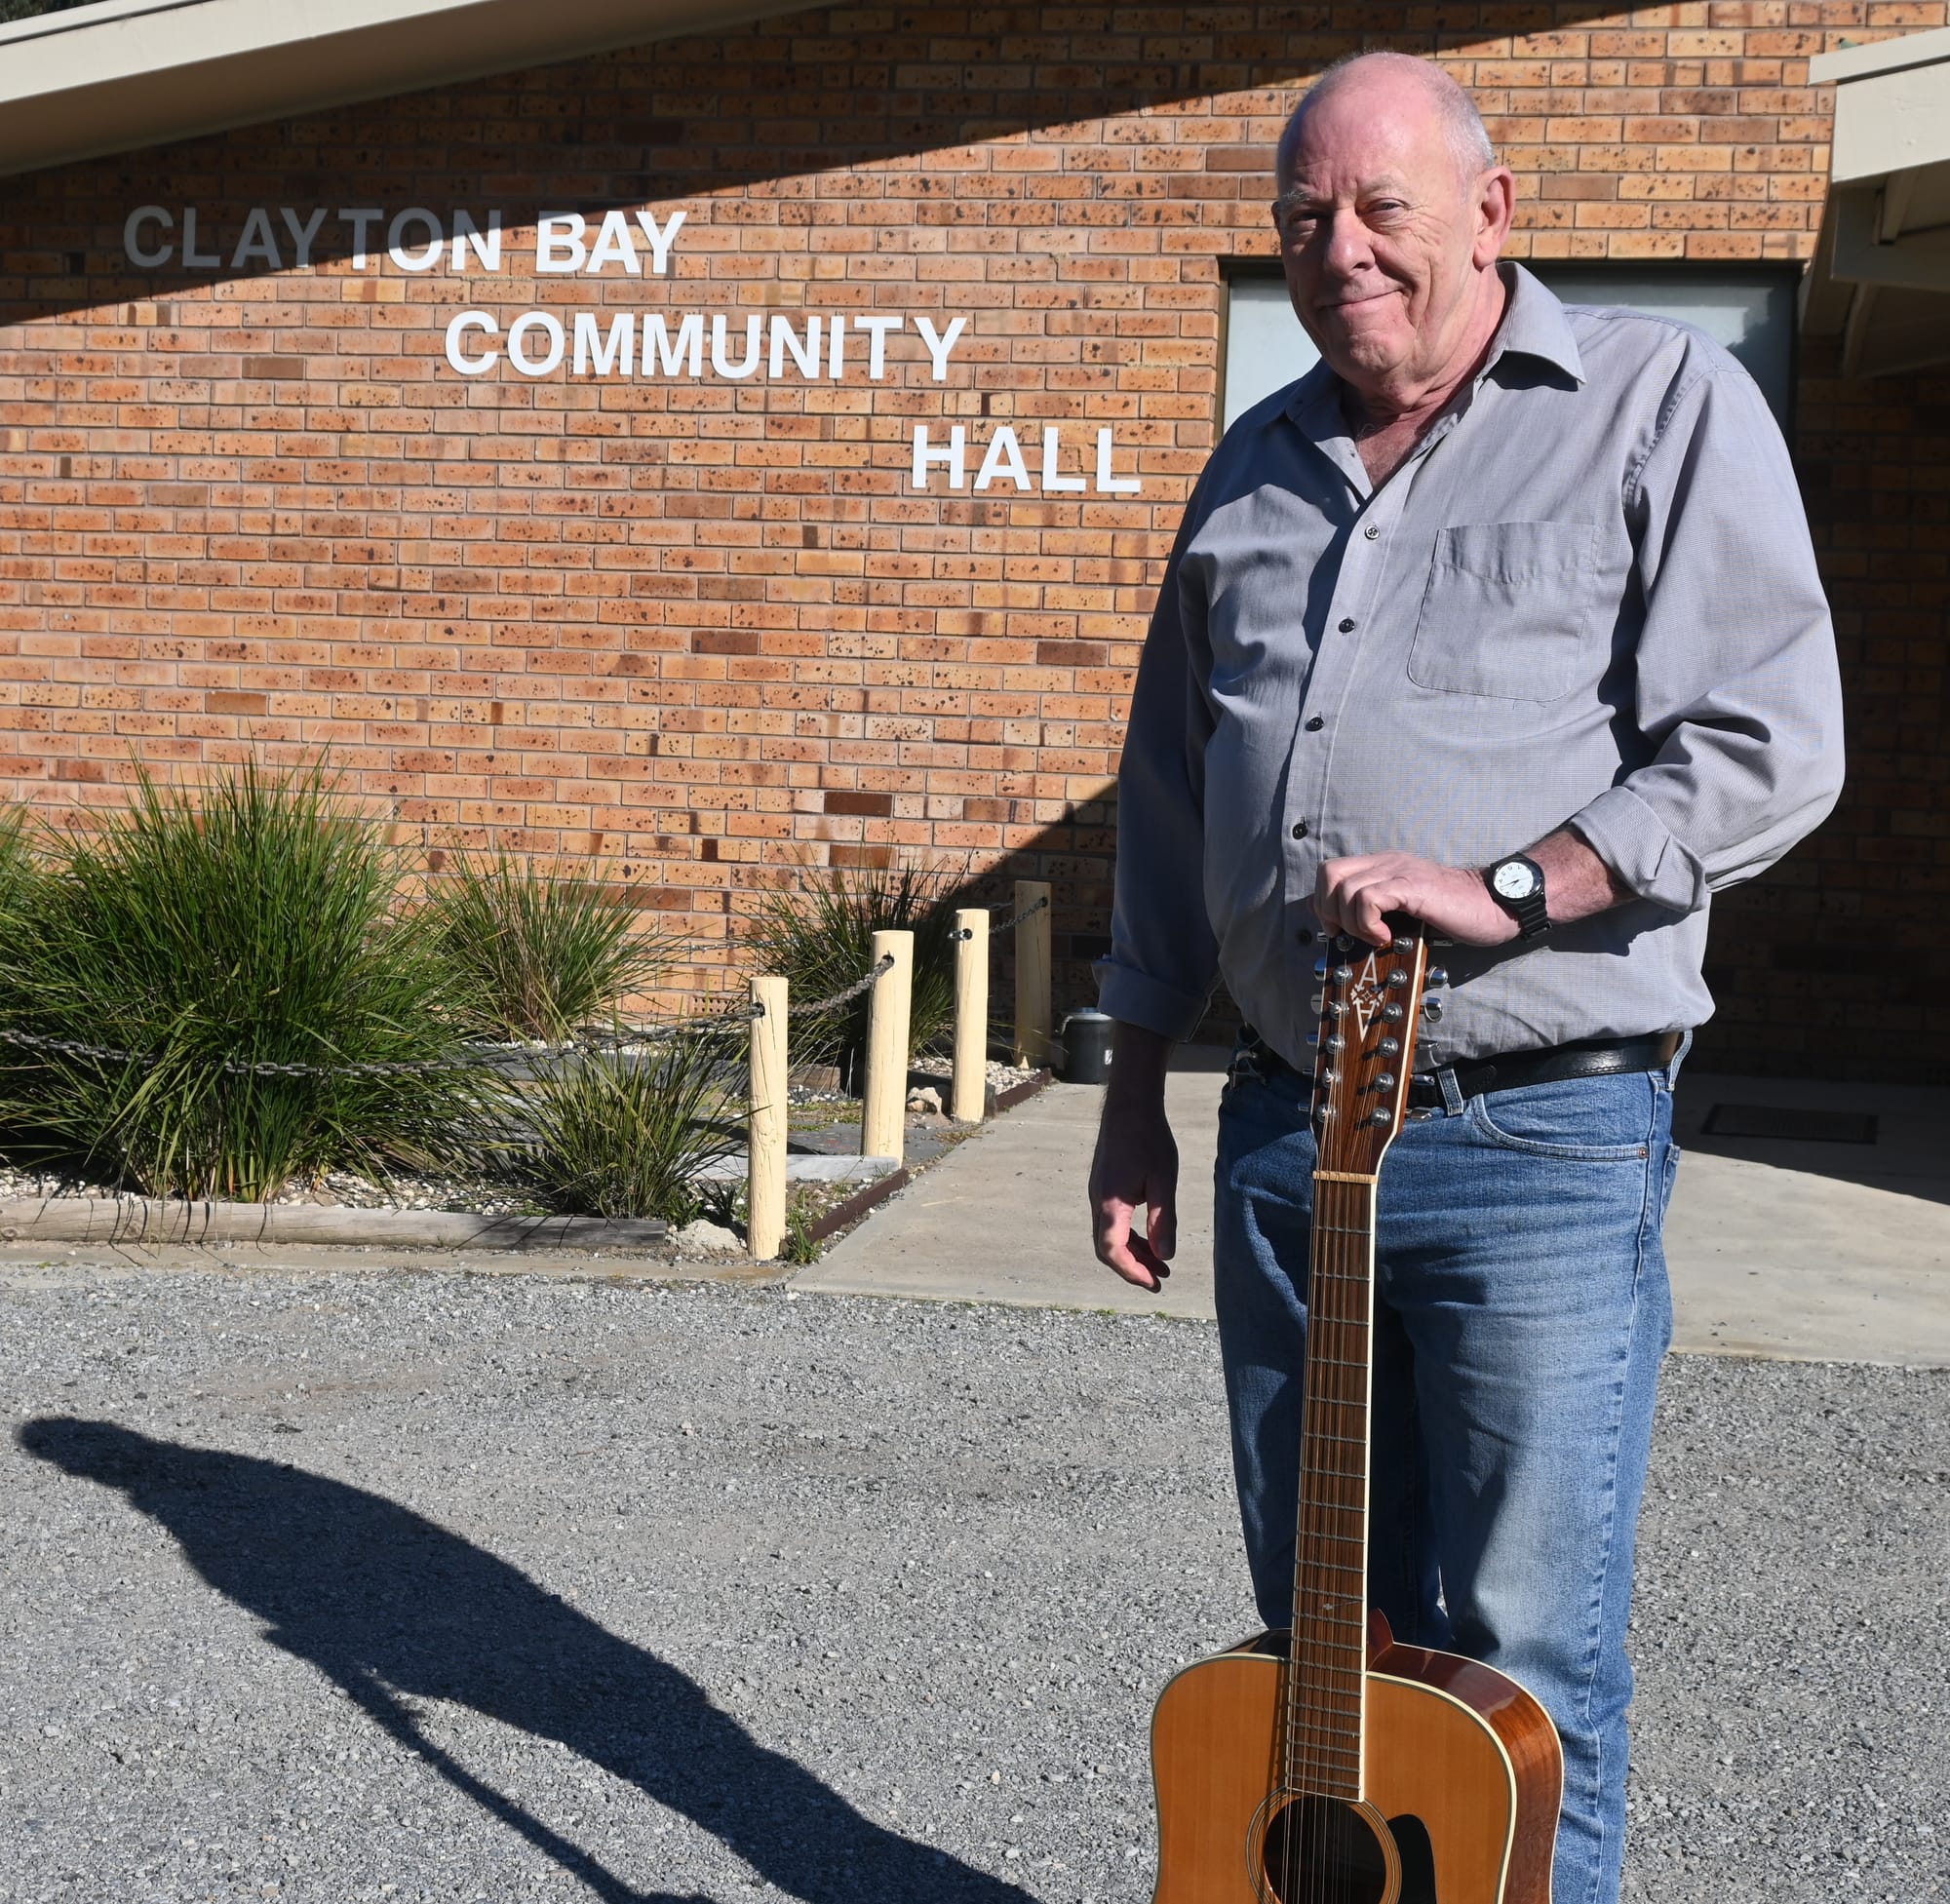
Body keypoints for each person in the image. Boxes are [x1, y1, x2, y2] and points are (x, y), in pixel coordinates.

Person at [1087, 50, 1843, 1904]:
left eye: (1380, 209)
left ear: (1494, 215)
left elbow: (1770, 737)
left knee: (1524, 1673)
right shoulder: (1251, 466)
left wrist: (1517, 882)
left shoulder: (1657, 404)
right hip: (1284, 1142)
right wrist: (1130, 1101)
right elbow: (1173, 803)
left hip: (1541, 1148)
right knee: (1325, 1653)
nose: (1337, 250)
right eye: (1301, 220)